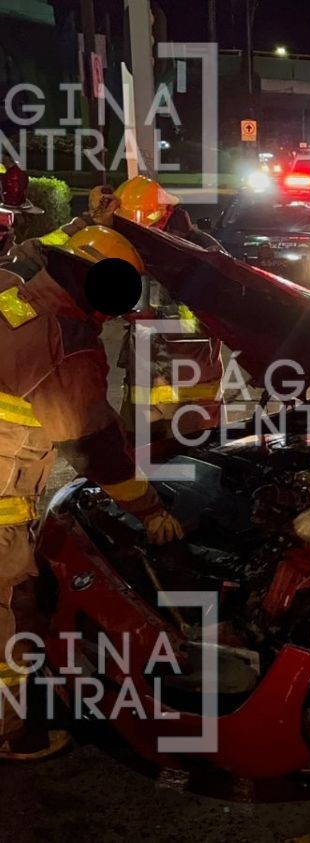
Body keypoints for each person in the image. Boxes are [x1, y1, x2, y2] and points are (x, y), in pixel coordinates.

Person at [0, 227, 186, 761]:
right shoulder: (68, 342)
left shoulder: (11, 291)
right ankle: (14, 732)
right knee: (10, 607)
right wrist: (149, 511)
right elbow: (92, 445)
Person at [112, 176, 225, 437]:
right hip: (143, 386)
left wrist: (157, 317)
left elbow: (219, 317)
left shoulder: (200, 252)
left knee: (191, 467)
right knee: (137, 465)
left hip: (190, 392)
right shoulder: (140, 245)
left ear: (163, 215)